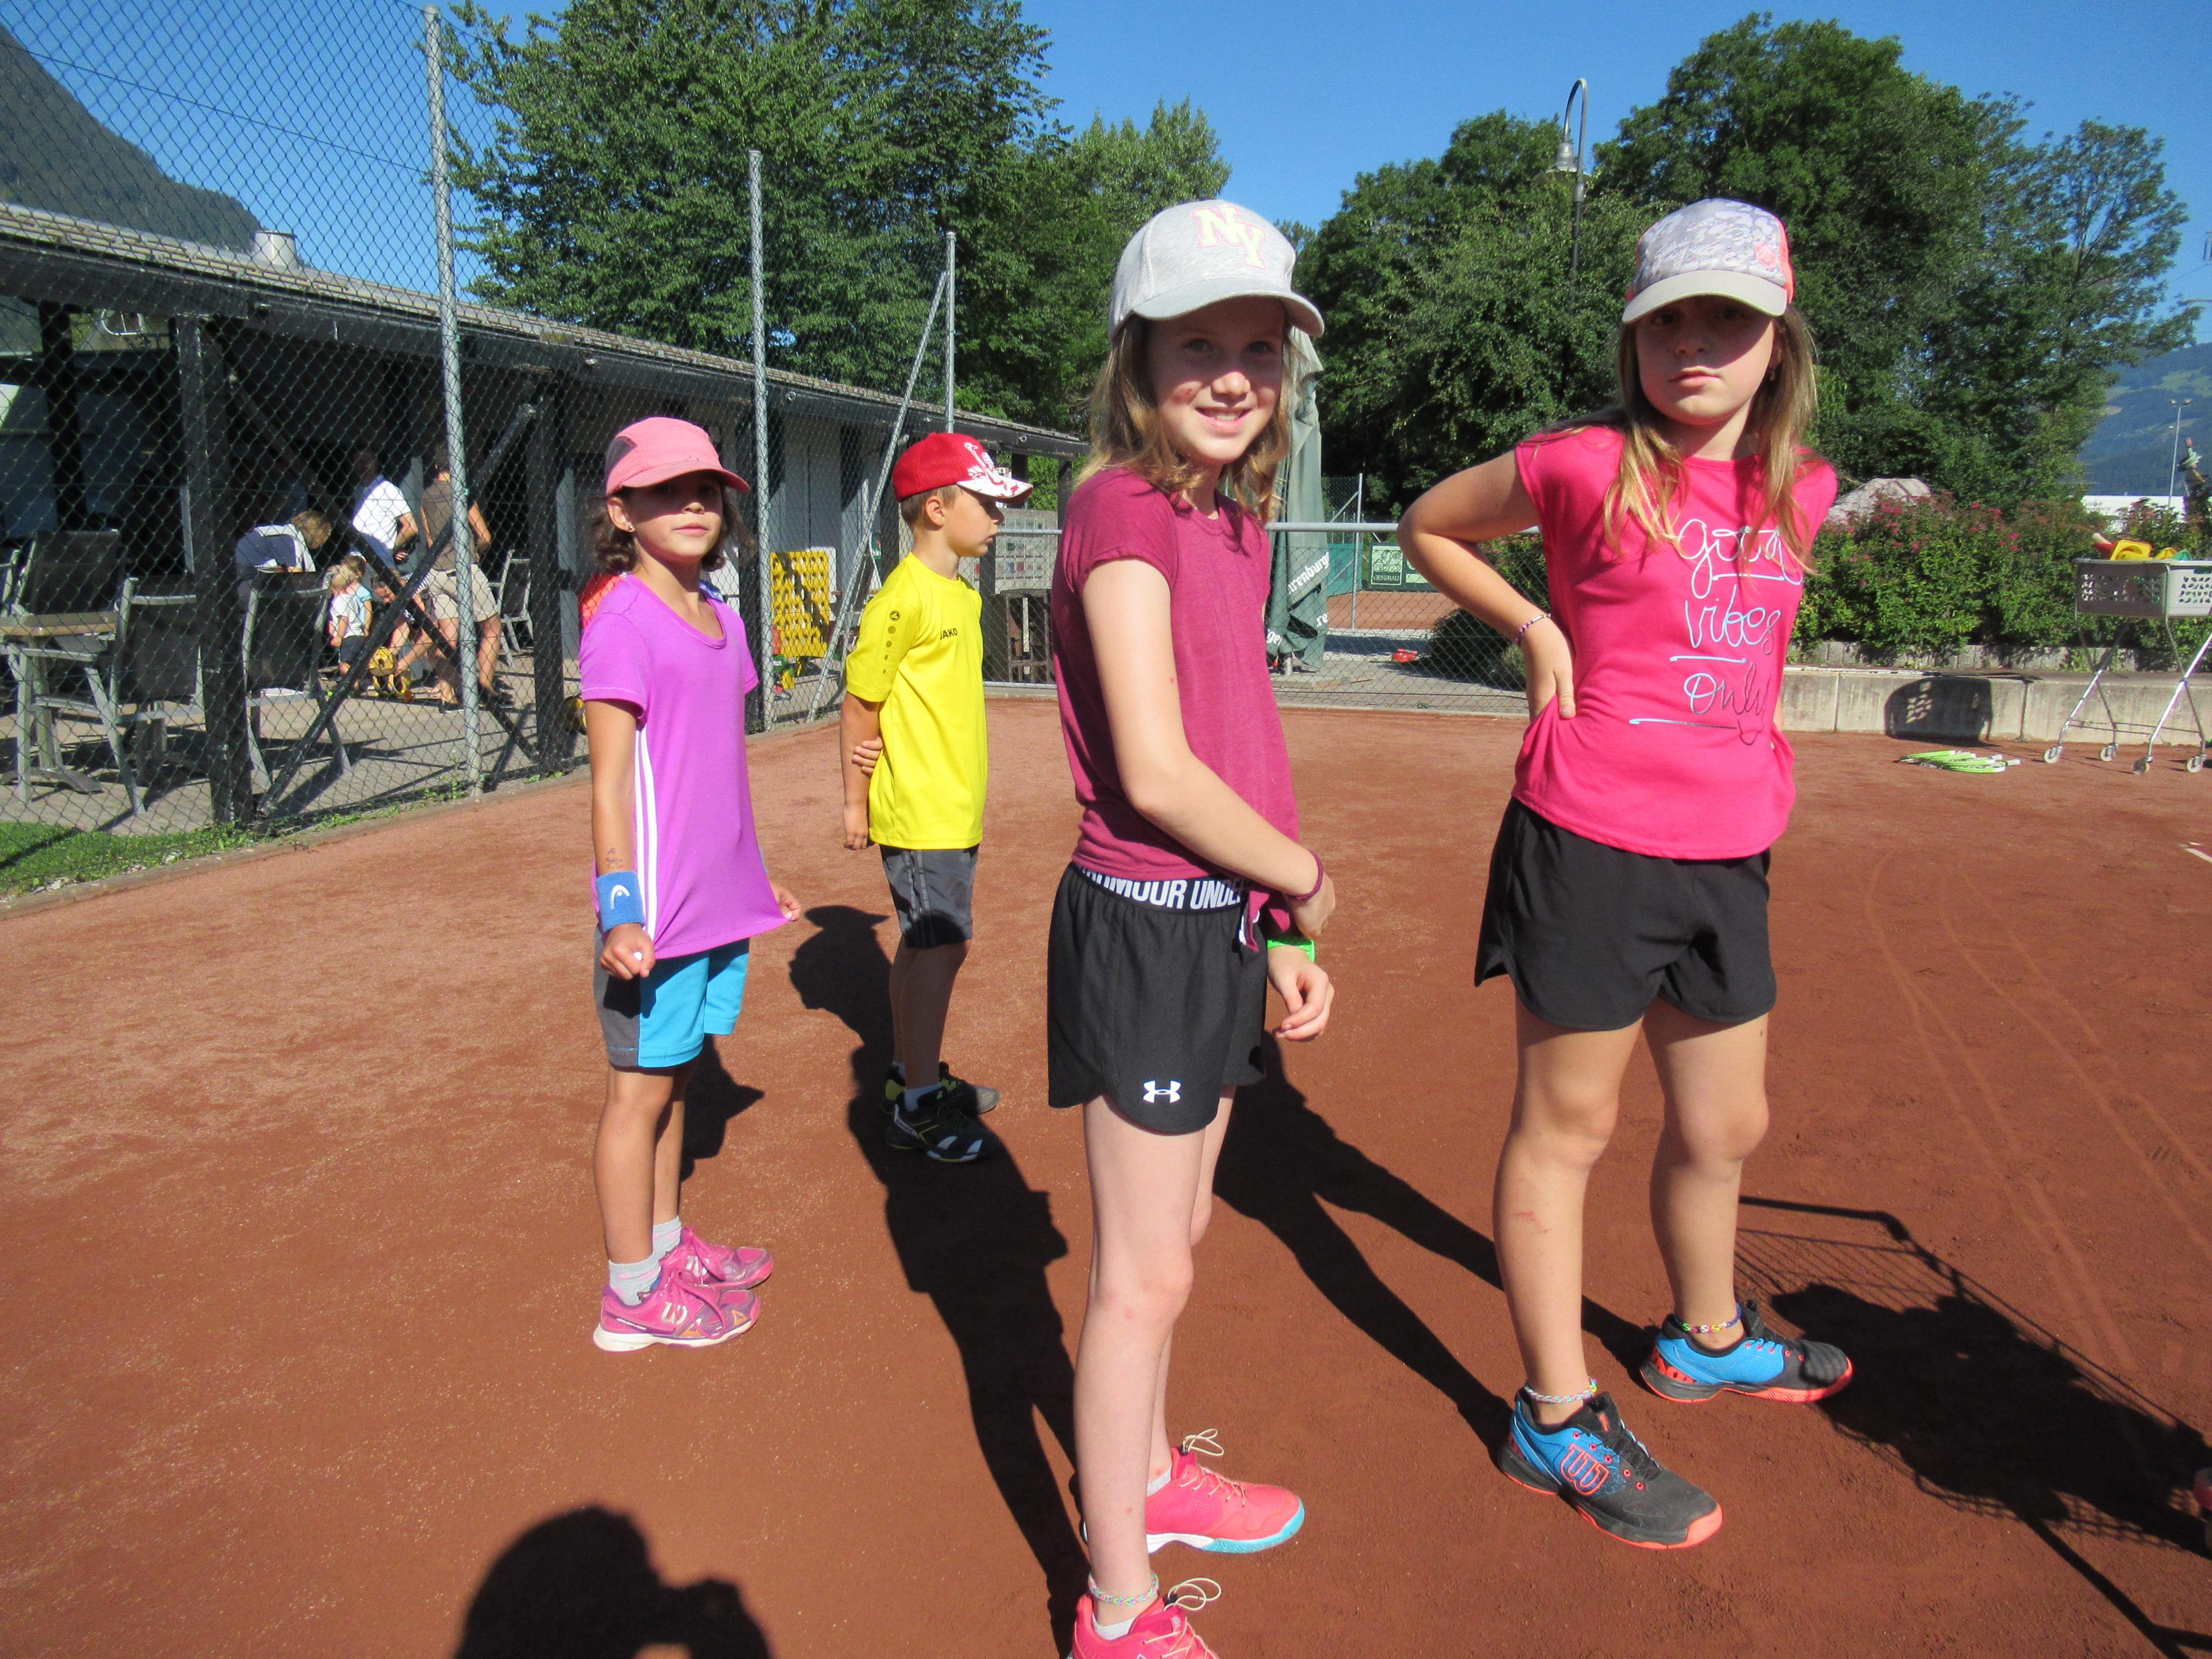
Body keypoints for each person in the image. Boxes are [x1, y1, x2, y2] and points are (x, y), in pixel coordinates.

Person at [1397, 198, 1853, 1551]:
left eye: (1726, 319)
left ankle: (1703, 1338)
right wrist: (1532, 626)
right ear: (1633, 340)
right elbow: (1430, 524)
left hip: (1729, 847)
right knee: (1568, 1128)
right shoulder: (1581, 464)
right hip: (1589, 837)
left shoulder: (1804, 489)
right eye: (1667, 322)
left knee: (1725, 1124)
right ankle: (1552, 1414)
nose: (1692, 345)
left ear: (1778, 341)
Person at [1051, 200, 1337, 1659]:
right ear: (1136, 359)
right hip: (1147, 923)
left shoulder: (1231, 513)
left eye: (1260, 348)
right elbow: (1158, 773)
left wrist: (1280, 919)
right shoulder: (1121, 508)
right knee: (1142, 1275)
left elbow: (1243, 731)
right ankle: (1116, 1604)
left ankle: (1156, 1476)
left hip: (1221, 920)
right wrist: (1307, 875)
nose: (1233, 376)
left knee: (1185, 1237)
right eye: (1197, 346)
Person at [581, 415, 802, 1353]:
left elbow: (713, 770)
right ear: (620, 511)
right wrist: (620, 911)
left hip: (717, 906)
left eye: (705, 490)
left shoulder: (724, 616)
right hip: (657, 918)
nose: (692, 506)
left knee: (676, 1082)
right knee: (638, 1095)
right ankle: (630, 1292)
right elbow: (611, 785)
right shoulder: (620, 623)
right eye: (665, 491)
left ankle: (667, 1249)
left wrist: (753, 878)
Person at [838, 431, 1030, 1165]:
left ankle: (908, 1073)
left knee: (929, 944)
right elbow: (862, 702)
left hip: (952, 805)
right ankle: (917, 1106)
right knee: (942, 944)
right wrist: (855, 803)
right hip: (920, 809)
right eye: (986, 503)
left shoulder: (960, 594)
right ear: (937, 509)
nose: (998, 517)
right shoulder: (902, 599)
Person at [408, 440, 507, 708]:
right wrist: (477, 550)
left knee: (447, 636)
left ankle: (447, 693)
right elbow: (485, 536)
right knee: (492, 627)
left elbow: (430, 540)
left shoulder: (426, 496)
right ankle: (485, 688)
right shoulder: (462, 495)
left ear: (436, 465)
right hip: (464, 568)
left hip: (437, 571)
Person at [348, 445, 416, 571]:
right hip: (355, 562)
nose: (364, 465)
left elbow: (411, 527)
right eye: (359, 461)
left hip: (379, 564)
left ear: (377, 462)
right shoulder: (358, 490)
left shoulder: (388, 489)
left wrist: (392, 549)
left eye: (368, 460)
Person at [326, 553, 372, 674]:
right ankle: (354, 682)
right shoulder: (349, 596)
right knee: (350, 663)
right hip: (353, 632)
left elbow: (345, 619)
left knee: (345, 665)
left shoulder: (343, 599)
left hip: (351, 633)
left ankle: (351, 684)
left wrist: (339, 636)